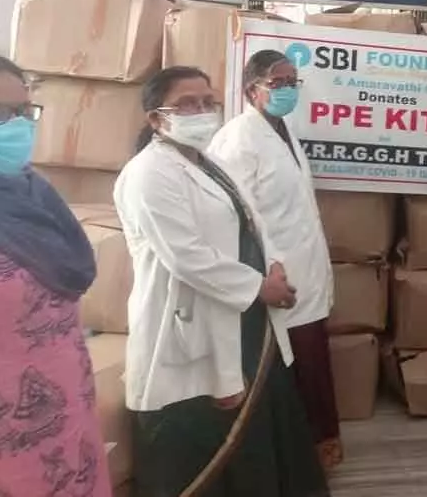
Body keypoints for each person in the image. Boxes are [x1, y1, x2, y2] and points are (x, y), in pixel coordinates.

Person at [114, 66, 328, 496]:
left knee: (257, 436)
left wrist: (275, 265)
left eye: (207, 102)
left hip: (244, 319)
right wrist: (258, 287)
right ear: (156, 118)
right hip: (190, 323)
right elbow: (187, 255)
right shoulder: (147, 173)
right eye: (187, 104)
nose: (201, 111)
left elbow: (253, 221)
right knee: (203, 446)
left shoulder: (210, 163)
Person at [209, 50, 342, 471]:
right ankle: (300, 457)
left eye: (292, 81)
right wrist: (266, 271)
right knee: (291, 369)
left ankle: (320, 447)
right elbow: (237, 215)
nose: (288, 89)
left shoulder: (283, 129)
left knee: (312, 361)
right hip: (276, 274)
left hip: (306, 268)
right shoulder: (238, 138)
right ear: (253, 90)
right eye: (278, 82)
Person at [0, 55, 112, 496]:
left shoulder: (35, 195)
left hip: (66, 418)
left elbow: (70, 277)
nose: (19, 126)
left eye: (25, 112)